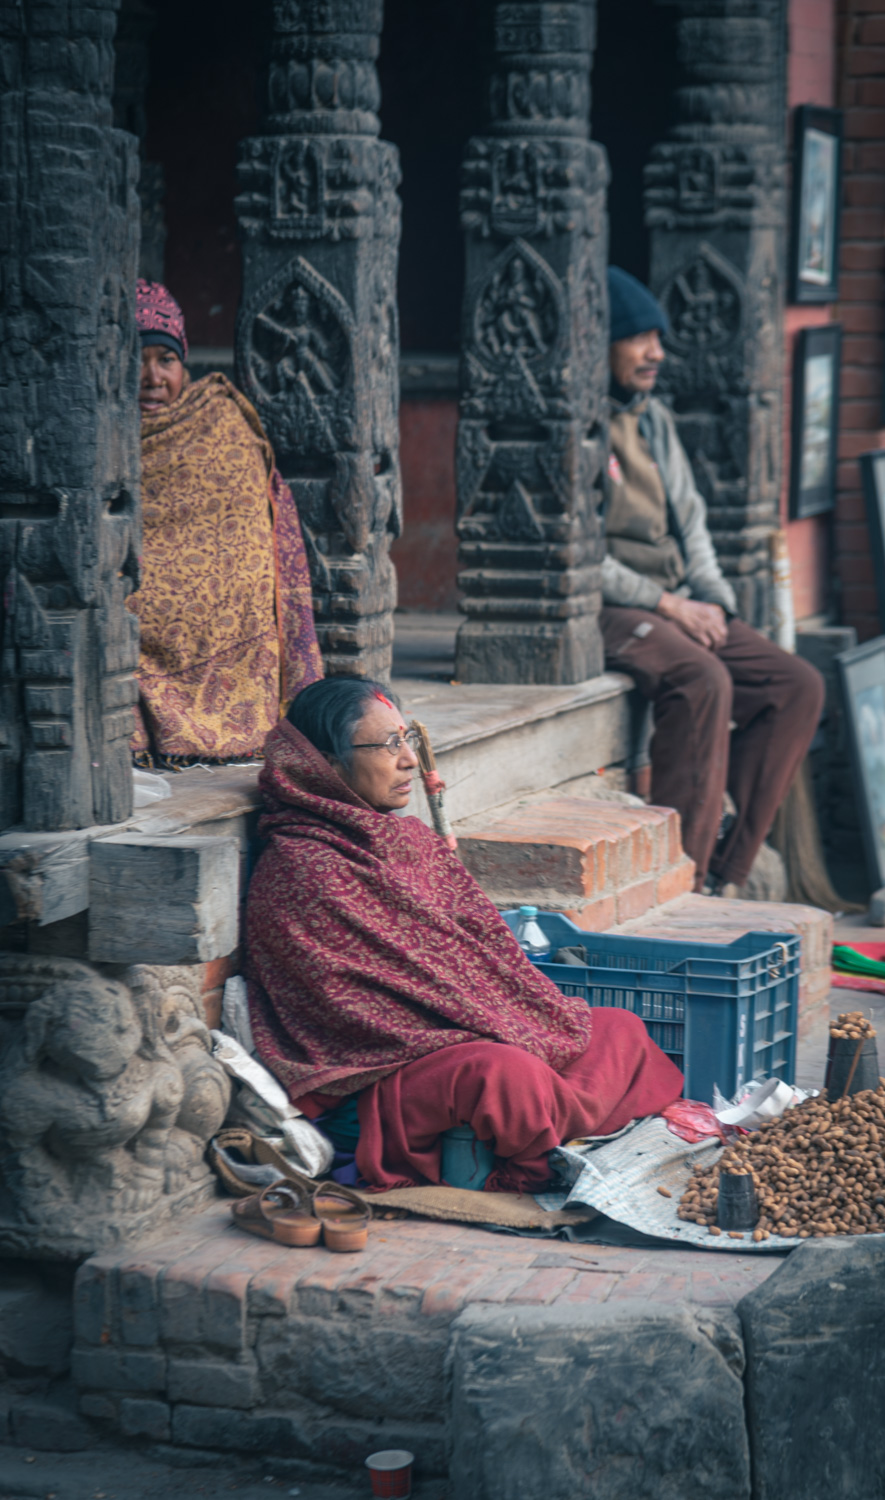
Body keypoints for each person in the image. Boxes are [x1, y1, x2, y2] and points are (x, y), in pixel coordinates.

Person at [243, 676, 684, 1193]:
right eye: (389, 746)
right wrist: (481, 1026)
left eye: (408, 739)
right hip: (380, 1073)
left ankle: (555, 1128)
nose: (410, 759)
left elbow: (479, 950)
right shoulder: (302, 867)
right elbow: (344, 1008)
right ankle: (530, 1168)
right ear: (327, 764)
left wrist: (504, 1016)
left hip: (460, 1029)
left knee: (618, 1029)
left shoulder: (406, 837)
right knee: (503, 1077)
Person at [600, 267, 825, 893]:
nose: (656, 354)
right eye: (639, 338)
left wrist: (714, 603)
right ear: (600, 343)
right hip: (606, 605)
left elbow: (691, 522)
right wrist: (669, 604)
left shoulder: (651, 418)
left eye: (658, 338)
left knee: (795, 685)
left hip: (676, 600)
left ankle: (726, 867)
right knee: (702, 679)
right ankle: (683, 876)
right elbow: (571, 557)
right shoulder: (576, 427)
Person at [128, 279, 322, 765]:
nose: (152, 376)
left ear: (184, 364)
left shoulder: (220, 424)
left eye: (165, 360)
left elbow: (251, 544)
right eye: (135, 358)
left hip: (228, 628)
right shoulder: (85, 438)